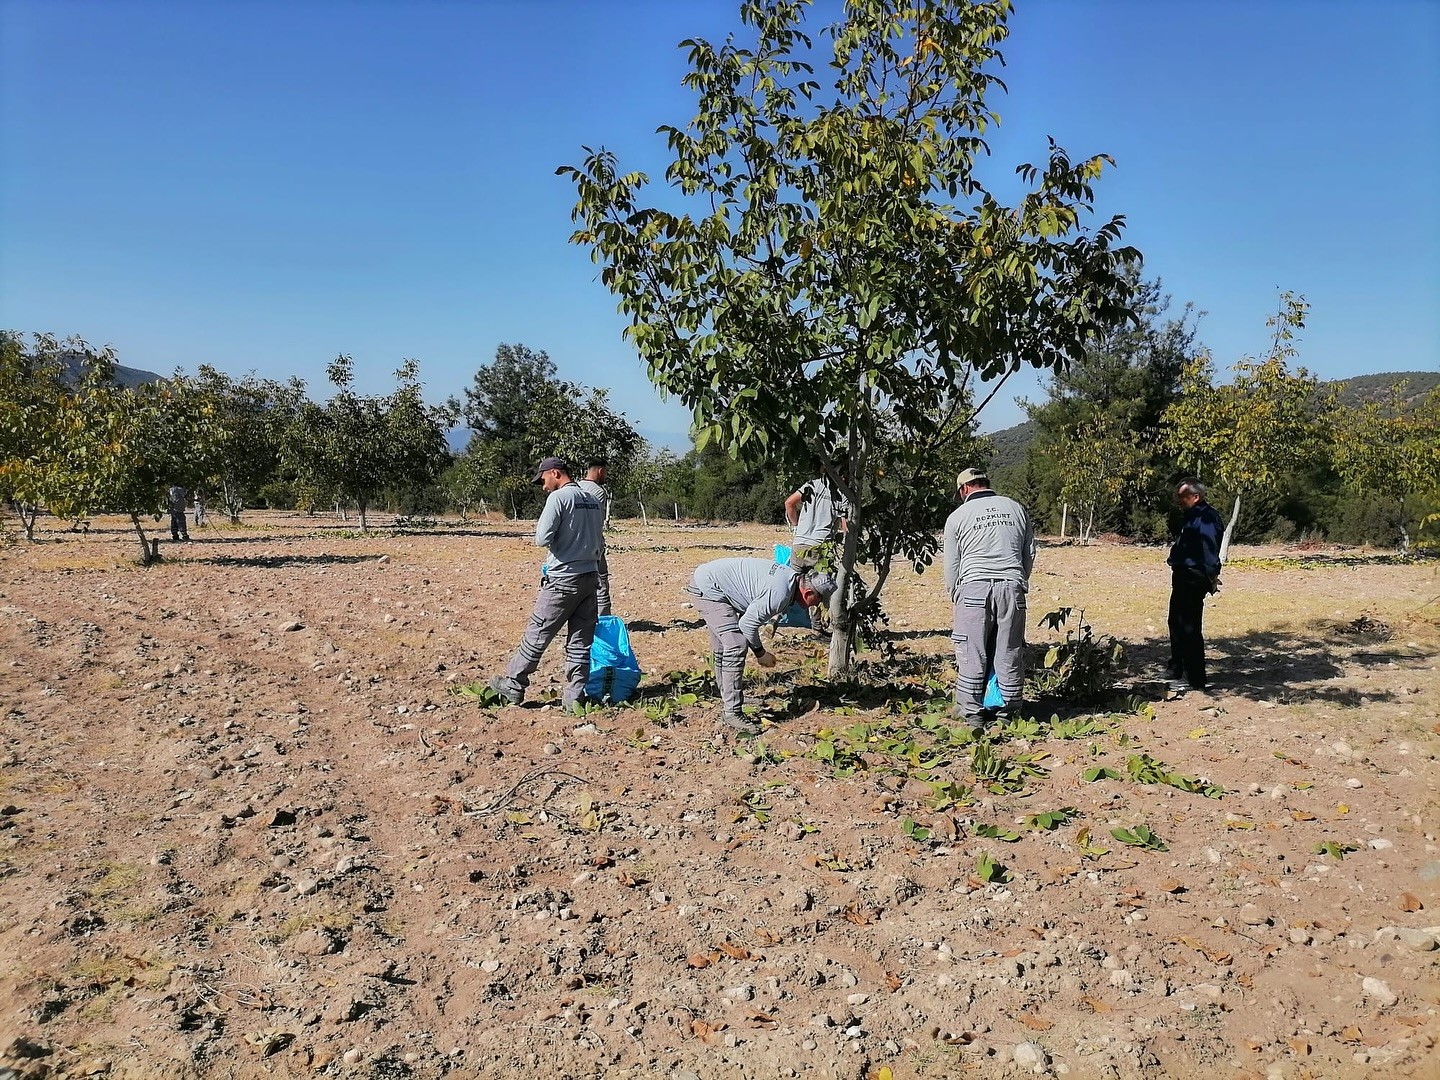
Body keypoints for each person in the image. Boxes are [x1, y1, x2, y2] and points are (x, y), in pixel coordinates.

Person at [490, 457, 605, 712]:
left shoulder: (559, 499)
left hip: (563, 579)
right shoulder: (594, 500)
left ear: (555, 473)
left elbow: (542, 538)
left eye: (543, 480)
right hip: (589, 578)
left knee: (537, 634)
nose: (543, 487)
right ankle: (574, 697)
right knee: (580, 641)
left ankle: (513, 684)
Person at [686, 557, 837, 735]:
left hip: (710, 580)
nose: (818, 605)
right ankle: (732, 712)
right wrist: (760, 653)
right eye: (819, 600)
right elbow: (747, 625)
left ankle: (730, 696)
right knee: (736, 645)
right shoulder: (779, 594)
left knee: (724, 646)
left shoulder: (791, 579)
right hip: (709, 589)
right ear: (808, 593)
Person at [943, 468, 1035, 730]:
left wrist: (956, 594)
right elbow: (1029, 552)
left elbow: (952, 564)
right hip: (1011, 587)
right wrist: (1018, 581)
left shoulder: (958, 515)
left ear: (964, 490)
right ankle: (1008, 710)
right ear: (985, 484)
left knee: (971, 651)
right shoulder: (1016, 508)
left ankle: (972, 713)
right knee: (1009, 650)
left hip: (974, 588)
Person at [1166, 478, 1224, 693]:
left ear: (1196, 497)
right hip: (1182, 574)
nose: (1178, 501)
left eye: (1182, 497)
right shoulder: (1192, 515)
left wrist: (1211, 576)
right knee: (1176, 621)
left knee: (1190, 626)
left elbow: (1209, 550)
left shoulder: (1207, 518)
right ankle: (1177, 667)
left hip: (1194, 576)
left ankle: (1196, 677)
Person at [577, 461, 613, 616]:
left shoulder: (576, 487)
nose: (605, 475)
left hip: (575, 546)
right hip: (594, 547)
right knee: (601, 586)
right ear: (599, 470)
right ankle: (603, 621)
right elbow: (596, 522)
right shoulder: (598, 492)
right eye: (605, 472)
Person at [785, 476, 847, 556]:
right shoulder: (843, 494)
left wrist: (796, 525)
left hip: (799, 544)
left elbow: (789, 503)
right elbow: (846, 527)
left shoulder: (812, 484)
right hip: (821, 547)